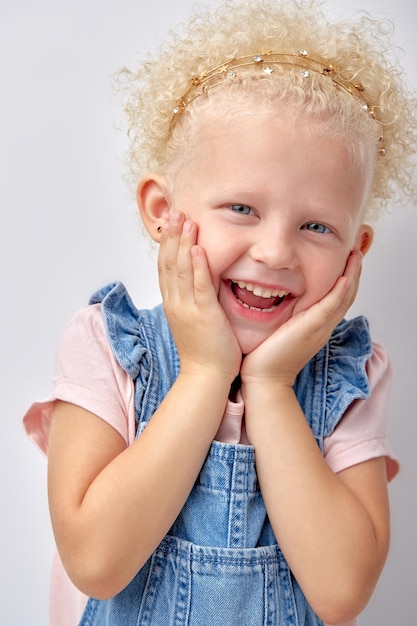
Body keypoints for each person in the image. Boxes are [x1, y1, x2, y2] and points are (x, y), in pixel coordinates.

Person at [24, 0, 417, 624]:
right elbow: (97, 561)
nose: (275, 251)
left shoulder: (351, 376)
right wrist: (206, 373)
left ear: (354, 252)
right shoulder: (108, 343)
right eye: (241, 208)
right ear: (161, 209)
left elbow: (342, 593)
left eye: (317, 225)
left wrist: (272, 384)